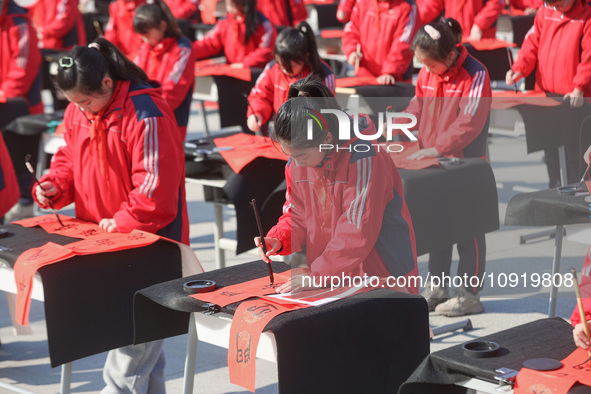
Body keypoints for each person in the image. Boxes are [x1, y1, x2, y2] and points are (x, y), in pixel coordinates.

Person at [32, 37, 189, 393]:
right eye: (73, 103)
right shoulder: (79, 109)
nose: (81, 110)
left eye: (86, 101)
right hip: (103, 236)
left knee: (134, 339)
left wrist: (124, 220)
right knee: (143, 340)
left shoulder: (146, 110)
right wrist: (54, 185)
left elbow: (155, 185)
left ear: (108, 83)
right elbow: (66, 158)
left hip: (148, 239)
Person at [254, 76, 419, 294]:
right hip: (333, 272)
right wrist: (278, 238)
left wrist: (319, 275)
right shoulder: (297, 162)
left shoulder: (365, 158)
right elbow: (298, 215)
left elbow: (357, 230)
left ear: (327, 138)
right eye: (289, 154)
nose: (296, 163)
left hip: (380, 272)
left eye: (302, 155)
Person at [401, 19, 492, 316]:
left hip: (466, 164)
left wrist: (437, 148)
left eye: (430, 64)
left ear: (449, 56)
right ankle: (437, 287)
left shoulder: (476, 74)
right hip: (433, 162)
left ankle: (469, 294)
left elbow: (469, 122)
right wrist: (399, 125)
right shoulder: (427, 74)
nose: (425, 70)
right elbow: (417, 104)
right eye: (422, 64)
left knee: (469, 230)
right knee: (436, 225)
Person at [506, 0, 591, 188]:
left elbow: (589, 56)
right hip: (545, 93)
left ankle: (576, 193)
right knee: (550, 149)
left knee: (573, 153)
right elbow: (531, 43)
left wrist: (579, 86)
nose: (556, 8)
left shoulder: (586, 17)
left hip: (572, 97)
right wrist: (520, 69)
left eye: (560, 4)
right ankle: (554, 189)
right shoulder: (544, 12)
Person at [246, 21, 336, 134]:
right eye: (282, 64)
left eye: (292, 65)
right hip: (279, 135)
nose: (286, 70)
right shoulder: (272, 68)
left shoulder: (323, 75)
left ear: (305, 57)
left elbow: (326, 112)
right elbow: (260, 95)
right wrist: (257, 113)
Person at [1, 0, 44, 223]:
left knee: (20, 157)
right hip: (3, 99)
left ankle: (25, 200)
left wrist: (3, 93)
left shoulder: (20, 24)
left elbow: (23, 67)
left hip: (21, 103)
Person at [133, 0, 196, 140]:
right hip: (144, 116)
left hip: (170, 119)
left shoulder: (182, 48)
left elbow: (173, 90)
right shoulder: (145, 48)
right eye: (142, 35)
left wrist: (145, 109)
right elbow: (134, 78)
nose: (144, 39)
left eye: (147, 35)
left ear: (162, 26)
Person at [341, 0, 419, 85]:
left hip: (393, 80)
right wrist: (352, 51)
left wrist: (390, 72)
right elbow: (351, 31)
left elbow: (403, 45)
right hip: (364, 77)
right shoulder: (362, 2)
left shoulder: (407, 7)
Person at [191, 0, 277, 68]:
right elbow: (209, 43)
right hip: (233, 71)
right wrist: (189, 50)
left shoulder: (262, 23)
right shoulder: (225, 22)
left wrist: (244, 64)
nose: (227, 5)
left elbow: (267, 50)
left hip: (252, 73)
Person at [416, 0, 504, 41]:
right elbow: (432, 5)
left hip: (479, 39)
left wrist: (479, 25)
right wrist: (414, 22)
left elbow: (496, 2)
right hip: (452, 36)